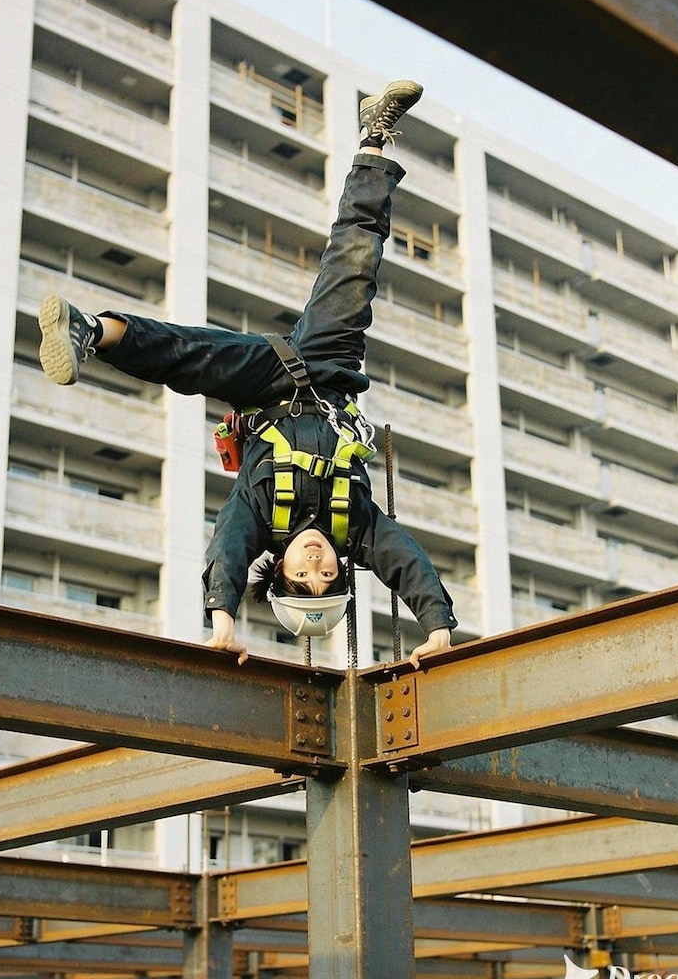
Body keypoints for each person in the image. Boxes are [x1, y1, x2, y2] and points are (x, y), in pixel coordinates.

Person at [37, 79, 457, 668]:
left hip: (268, 387)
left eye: (302, 577)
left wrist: (223, 620)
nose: (317, 566)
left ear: (280, 571)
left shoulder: (259, 519)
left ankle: (93, 332)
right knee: (356, 265)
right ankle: (376, 139)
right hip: (328, 374)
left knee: (194, 356)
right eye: (328, 577)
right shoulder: (358, 527)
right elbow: (404, 559)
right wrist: (437, 624)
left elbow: (227, 550)